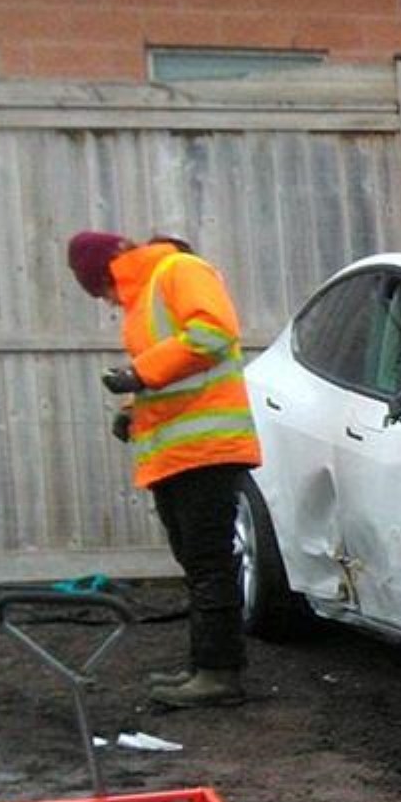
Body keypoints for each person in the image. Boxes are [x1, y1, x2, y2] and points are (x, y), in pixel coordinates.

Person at [67, 228, 259, 709]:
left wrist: (140, 374)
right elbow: (179, 371)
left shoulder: (179, 272)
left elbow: (212, 335)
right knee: (197, 563)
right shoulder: (147, 296)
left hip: (208, 449)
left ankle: (219, 674)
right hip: (179, 452)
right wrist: (136, 410)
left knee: (209, 561)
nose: (109, 302)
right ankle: (205, 666)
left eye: (103, 291)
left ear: (111, 271)